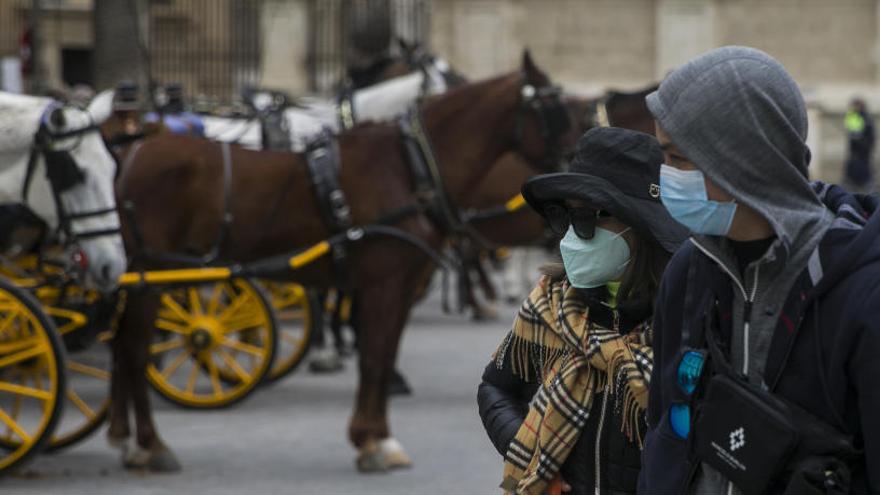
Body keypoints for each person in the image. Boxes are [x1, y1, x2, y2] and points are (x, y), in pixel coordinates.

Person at [640, 46, 879, 494]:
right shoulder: (689, 269)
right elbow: (664, 430)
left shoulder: (860, 290)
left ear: (739, 162)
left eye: (677, 160)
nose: (663, 178)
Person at [477, 127, 688, 495]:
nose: (575, 234)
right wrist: (538, 464)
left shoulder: (688, 315)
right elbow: (495, 388)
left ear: (642, 227)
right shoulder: (550, 301)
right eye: (567, 216)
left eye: (592, 217)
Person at [843, 97, 875, 193]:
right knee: (854, 166)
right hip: (856, 147)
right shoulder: (854, 115)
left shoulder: (865, 117)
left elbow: (868, 133)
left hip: (863, 147)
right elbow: (851, 129)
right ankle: (853, 184)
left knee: (862, 166)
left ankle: (864, 185)